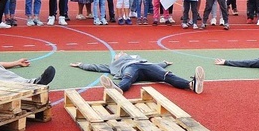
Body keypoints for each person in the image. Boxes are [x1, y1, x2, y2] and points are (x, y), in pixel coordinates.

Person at [70, 52, 205, 94]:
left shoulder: (137, 57)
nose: (121, 52)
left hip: (146, 66)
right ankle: (118, 89)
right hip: (130, 68)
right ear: (115, 58)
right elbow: (96, 67)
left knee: (166, 75)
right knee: (128, 77)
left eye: (122, 52)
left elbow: (154, 65)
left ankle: (191, 84)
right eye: (118, 53)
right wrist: (81, 65)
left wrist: (163, 63)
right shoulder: (113, 65)